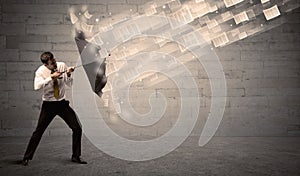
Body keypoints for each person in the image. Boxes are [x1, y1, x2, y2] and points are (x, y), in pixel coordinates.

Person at [22, 51, 87, 166]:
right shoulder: (40, 71)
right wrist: (51, 77)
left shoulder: (61, 65)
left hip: (61, 104)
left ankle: (76, 156)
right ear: (46, 65)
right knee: (39, 131)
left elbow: (69, 84)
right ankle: (27, 157)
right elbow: (36, 87)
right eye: (52, 64)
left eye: (55, 61)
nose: (55, 65)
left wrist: (69, 74)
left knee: (77, 128)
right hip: (49, 105)